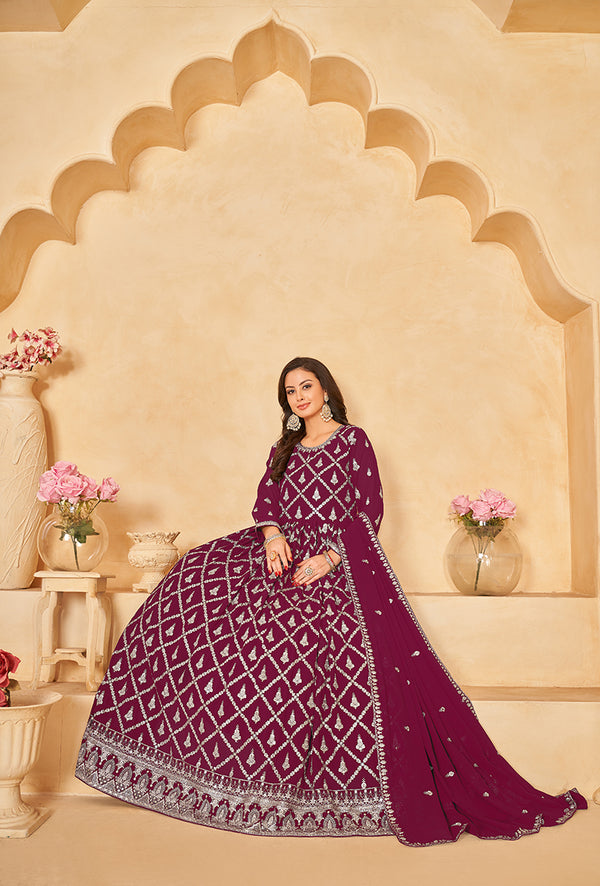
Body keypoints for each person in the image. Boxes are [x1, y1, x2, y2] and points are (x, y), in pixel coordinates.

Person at [76, 357, 586, 845]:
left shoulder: (353, 441)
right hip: (279, 552)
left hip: (335, 560)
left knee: (293, 637)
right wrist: (273, 537)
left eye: (307, 387)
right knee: (194, 578)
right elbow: (266, 501)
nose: (299, 397)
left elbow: (369, 509)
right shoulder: (283, 449)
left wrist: (330, 557)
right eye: (290, 391)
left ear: (325, 390)